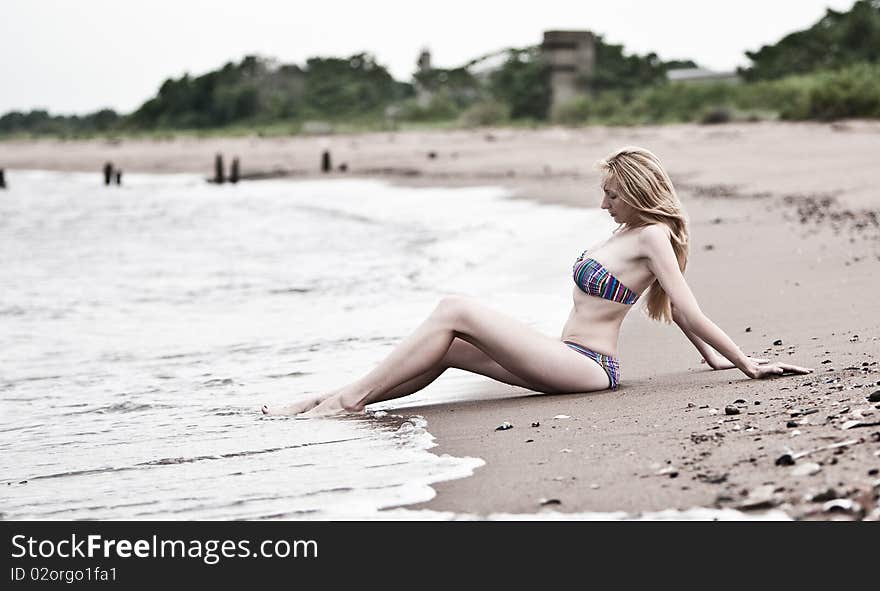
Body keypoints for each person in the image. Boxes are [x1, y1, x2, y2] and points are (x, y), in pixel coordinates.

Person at [262, 147, 813, 417]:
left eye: (612, 194)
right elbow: (674, 309)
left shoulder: (652, 237)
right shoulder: (628, 231)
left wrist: (745, 363)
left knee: (456, 307)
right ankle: (339, 398)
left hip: (591, 367)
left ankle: (347, 401)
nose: (603, 203)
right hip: (561, 353)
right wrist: (710, 361)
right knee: (450, 346)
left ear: (636, 192)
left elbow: (687, 310)